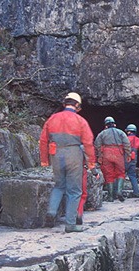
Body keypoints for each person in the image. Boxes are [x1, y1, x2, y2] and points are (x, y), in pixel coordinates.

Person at [39, 92, 97, 233]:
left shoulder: (52, 118)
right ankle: (70, 225)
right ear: (77, 105)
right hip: (74, 154)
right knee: (74, 191)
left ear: (65, 103)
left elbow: (43, 141)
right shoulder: (80, 121)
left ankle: (52, 211)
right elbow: (88, 143)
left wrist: (44, 160)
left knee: (59, 185)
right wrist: (91, 164)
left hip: (56, 154)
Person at [94, 116, 131, 202]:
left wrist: (99, 156)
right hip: (119, 153)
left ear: (106, 125)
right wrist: (128, 154)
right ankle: (119, 192)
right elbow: (127, 143)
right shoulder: (121, 132)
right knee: (121, 173)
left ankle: (110, 197)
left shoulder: (102, 133)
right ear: (114, 124)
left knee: (108, 174)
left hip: (107, 153)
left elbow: (97, 145)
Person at [125, 124, 139, 197]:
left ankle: (117, 192)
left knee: (120, 176)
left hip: (124, 160)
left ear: (129, 131)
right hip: (133, 161)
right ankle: (136, 192)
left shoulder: (125, 138)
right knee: (132, 176)